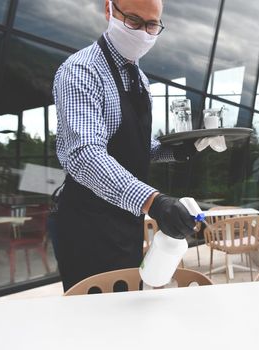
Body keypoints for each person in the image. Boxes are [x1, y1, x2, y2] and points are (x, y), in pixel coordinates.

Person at [53, 0, 197, 291]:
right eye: (133, 20)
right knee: (93, 321)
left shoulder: (140, 79)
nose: (143, 33)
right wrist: (154, 202)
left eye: (152, 25)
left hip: (126, 220)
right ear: (109, 10)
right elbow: (85, 155)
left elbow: (137, 148)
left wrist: (179, 150)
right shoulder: (81, 71)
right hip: (87, 225)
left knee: (127, 307)